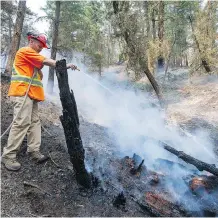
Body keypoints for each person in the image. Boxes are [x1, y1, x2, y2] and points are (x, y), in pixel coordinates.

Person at [1, 32, 78, 171]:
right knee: (21, 122)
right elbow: (45, 61)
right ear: (31, 41)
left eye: (43, 46)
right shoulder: (25, 51)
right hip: (23, 93)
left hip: (32, 95)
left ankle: (33, 150)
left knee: (35, 122)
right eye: (40, 45)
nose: (41, 48)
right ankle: (8, 156)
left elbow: (39, 67)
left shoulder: (32, 59)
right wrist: (62, 65)